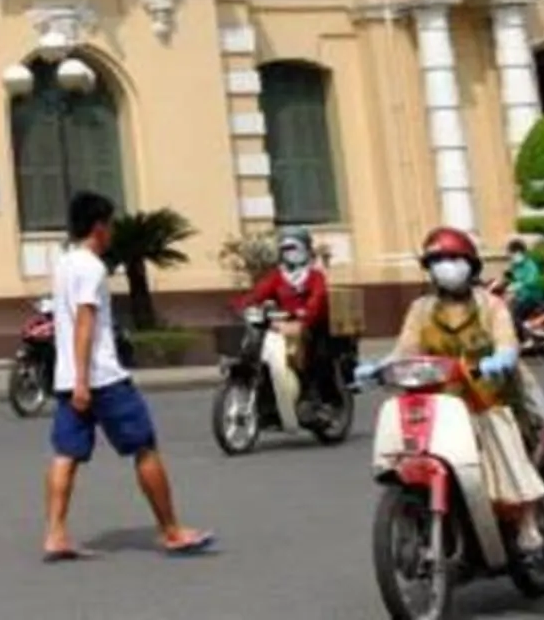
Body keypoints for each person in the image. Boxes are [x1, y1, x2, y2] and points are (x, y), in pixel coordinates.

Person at [41, 191, 215, 565]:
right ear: (99, 226)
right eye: (111, 224)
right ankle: (172, 531)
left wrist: (74, 380)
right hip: (102, 377)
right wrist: (86, 381)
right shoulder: (91, 267)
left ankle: (56, 534)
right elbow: (85, 322)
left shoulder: (64, 264)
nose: (113, 232)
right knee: (144, 447)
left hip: (68, 376)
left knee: (65, 453)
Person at [370, 228, 544, 556]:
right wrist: (377, 367)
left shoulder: (490, 304)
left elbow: (506, 341)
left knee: (499, 435)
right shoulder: (421, 309)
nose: (446, 266)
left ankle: (526, 520)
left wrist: (502, 358)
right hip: (442, 401)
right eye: (437, 261)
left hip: (490, 395)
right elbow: (405, 349)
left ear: (471, 264)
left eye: (453, 259)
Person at [233, 229, 335, 420]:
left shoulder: (315, 276)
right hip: (282, 325)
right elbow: (258, 294)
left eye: (294, 248)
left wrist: (303, 318)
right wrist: (242, 306)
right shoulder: (278, 276)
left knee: (315, 358)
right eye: (286, 249)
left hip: (313, 326)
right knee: (259, 350)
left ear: (306, 249)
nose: (290, 253)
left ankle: (317, 401)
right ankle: (268, 398)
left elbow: (318, 298)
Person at [503, 240, 544, 321]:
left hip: (531, 297)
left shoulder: (530, 265)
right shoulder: (515, 266)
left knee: (515, 315)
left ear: (519, 253)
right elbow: (512, 279)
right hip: (520, 297)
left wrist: (520, 285)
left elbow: (532, 280)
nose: (511, 258)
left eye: (512, 255)